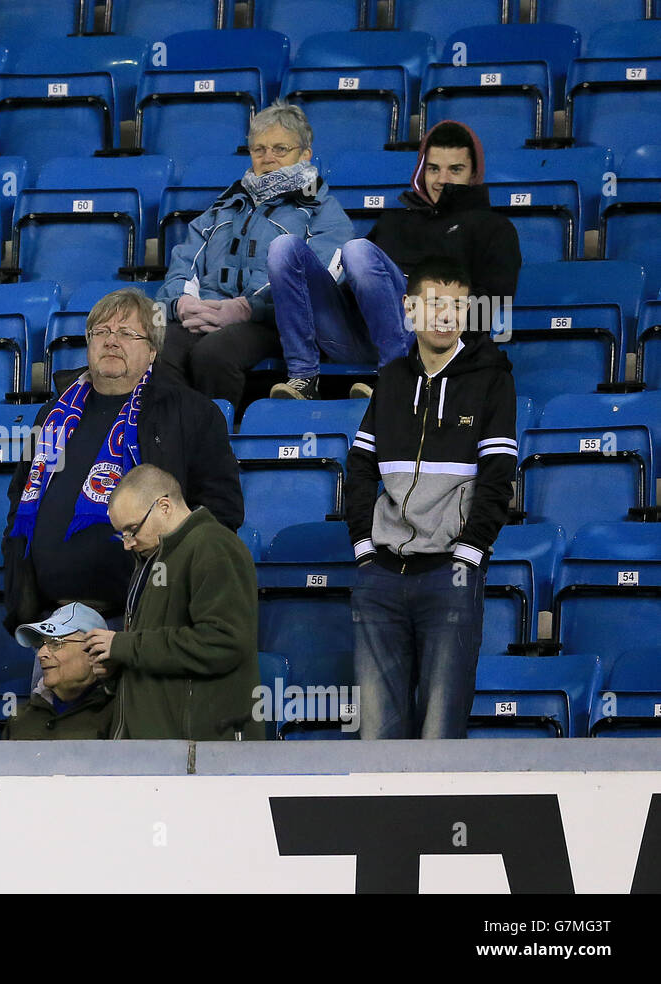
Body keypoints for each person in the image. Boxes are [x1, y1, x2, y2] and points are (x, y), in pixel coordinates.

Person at [2, 287, 243, 634]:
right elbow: (20, 495)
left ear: (152, 351)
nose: (112, 341)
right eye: (102, 332)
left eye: (128, 333)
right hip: (49, 621)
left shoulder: (191, 414)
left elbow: (222, 511)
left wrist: (174, 583)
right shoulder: (52, 414)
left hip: (142, 624)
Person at [345, 256, 517, 739]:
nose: (445, 315)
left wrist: (469, 552)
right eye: (434, 303)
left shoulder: (492, 379)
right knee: (376, 738)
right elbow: (359, 468)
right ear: (410, 309)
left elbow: (499, 476)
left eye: (457, 305)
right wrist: (363, 546)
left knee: (440, 736)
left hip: (450, 577)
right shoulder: (393, 380)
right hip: (380, 578)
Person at [268, 119, 522, 400]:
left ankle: (397, 377)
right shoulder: (394, 219)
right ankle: (303, 376)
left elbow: (493, 308)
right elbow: (355, 283)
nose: (442, 180)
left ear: (474, 173)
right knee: (284, 248)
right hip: (360, 334)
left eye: (456, 170)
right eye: (433, 168)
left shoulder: (493, 228)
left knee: (357, 250)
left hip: (430, 337)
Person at [155, 100, 353, 407]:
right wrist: (182, 303)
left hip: (271, 323)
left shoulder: (323, 211)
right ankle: (170, 439)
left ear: (305, 155)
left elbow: (317, 283)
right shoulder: (227, 203)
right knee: (159, 350)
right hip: (206, 310)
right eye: (258, 149)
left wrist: (247, 308)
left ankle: (215, 442)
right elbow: (186, 258)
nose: (268, 158)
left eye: (280, 149)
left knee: (213, 355)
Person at [82, 465, 262, 740]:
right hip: (158, 751)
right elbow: (158, 657)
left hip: (200, 758)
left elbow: (223, 642)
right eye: (122, 534)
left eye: (132, 529)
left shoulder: (213, 546)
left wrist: (125, 645)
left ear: (164, 506)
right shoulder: (153, 558)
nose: (127, 544)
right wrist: (118, 667)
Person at [3, 603, 115, 739]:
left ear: (93, 652)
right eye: (41, 645)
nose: (41, 654)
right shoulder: (20, 718)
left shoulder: (119, 715)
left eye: (56, 643)